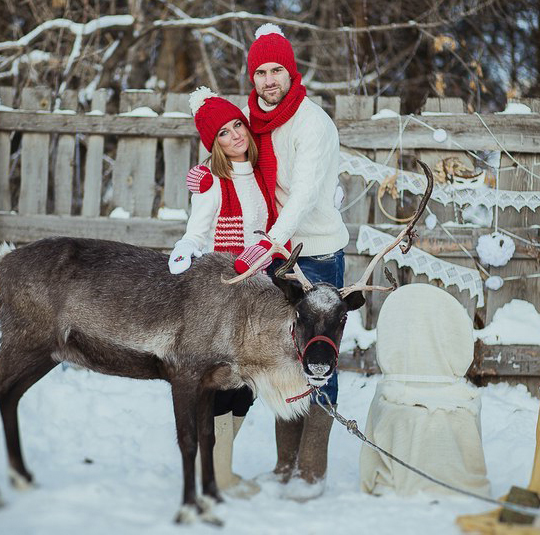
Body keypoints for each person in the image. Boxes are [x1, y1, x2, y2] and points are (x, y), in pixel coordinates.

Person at [234, 23, 349, 499]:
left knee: (318, 355)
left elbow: (301, 196)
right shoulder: (249, 118)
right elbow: (227, 154)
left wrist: (270, 241)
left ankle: (312, 470)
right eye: (260, 72)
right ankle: (285, 464)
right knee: (284, 356)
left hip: (315, 250)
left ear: (291, 72)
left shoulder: (312, 123)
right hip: (275, 253)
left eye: (276, 71)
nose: (268, 80)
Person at [169, 86, 278, 498]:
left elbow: (273, 220)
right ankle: (219, 475)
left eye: (237, 125)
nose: (235, 136)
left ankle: (221, 467)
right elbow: (197, 232)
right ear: (213, 143)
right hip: (224, 293)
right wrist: (185, 249)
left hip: (259, 291)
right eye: (223, 133)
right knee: (221, 383)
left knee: (247, 385)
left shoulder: (263, 173)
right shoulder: (213, 180)